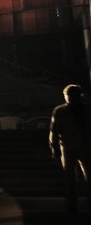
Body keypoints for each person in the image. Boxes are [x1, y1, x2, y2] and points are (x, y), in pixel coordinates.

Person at [49, 84, 91, 213]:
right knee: (84, 177)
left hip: (68, 147)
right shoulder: (87, 110)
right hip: (83, 146)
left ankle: (72, 204)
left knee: (70, 178)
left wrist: (54, 147)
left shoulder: (60, 111)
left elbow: (54, 131)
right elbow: (54, 131)